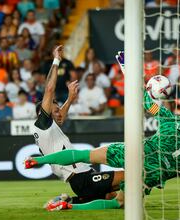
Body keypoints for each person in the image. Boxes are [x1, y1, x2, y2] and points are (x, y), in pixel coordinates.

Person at [25, 86, 180, 210]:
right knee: (119, 202)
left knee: (84, 154)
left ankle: (39, 161)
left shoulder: (170, 118)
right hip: (155, 172)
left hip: (139, 152)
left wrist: (142, 86)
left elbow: (146, 103)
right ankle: (71, 205)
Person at [29, 45, 124, 206]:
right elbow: (50, 89)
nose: (59, 113)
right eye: (55, 109)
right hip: (83, 178)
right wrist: (57, 60)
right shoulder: (42, 123)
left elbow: (60, 117)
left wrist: (71, 98)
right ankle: (71, 202)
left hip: (83, 179)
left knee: (116, 199)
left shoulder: (48, 128)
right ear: (43, 112)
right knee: (129, 176)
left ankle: (70, 201)